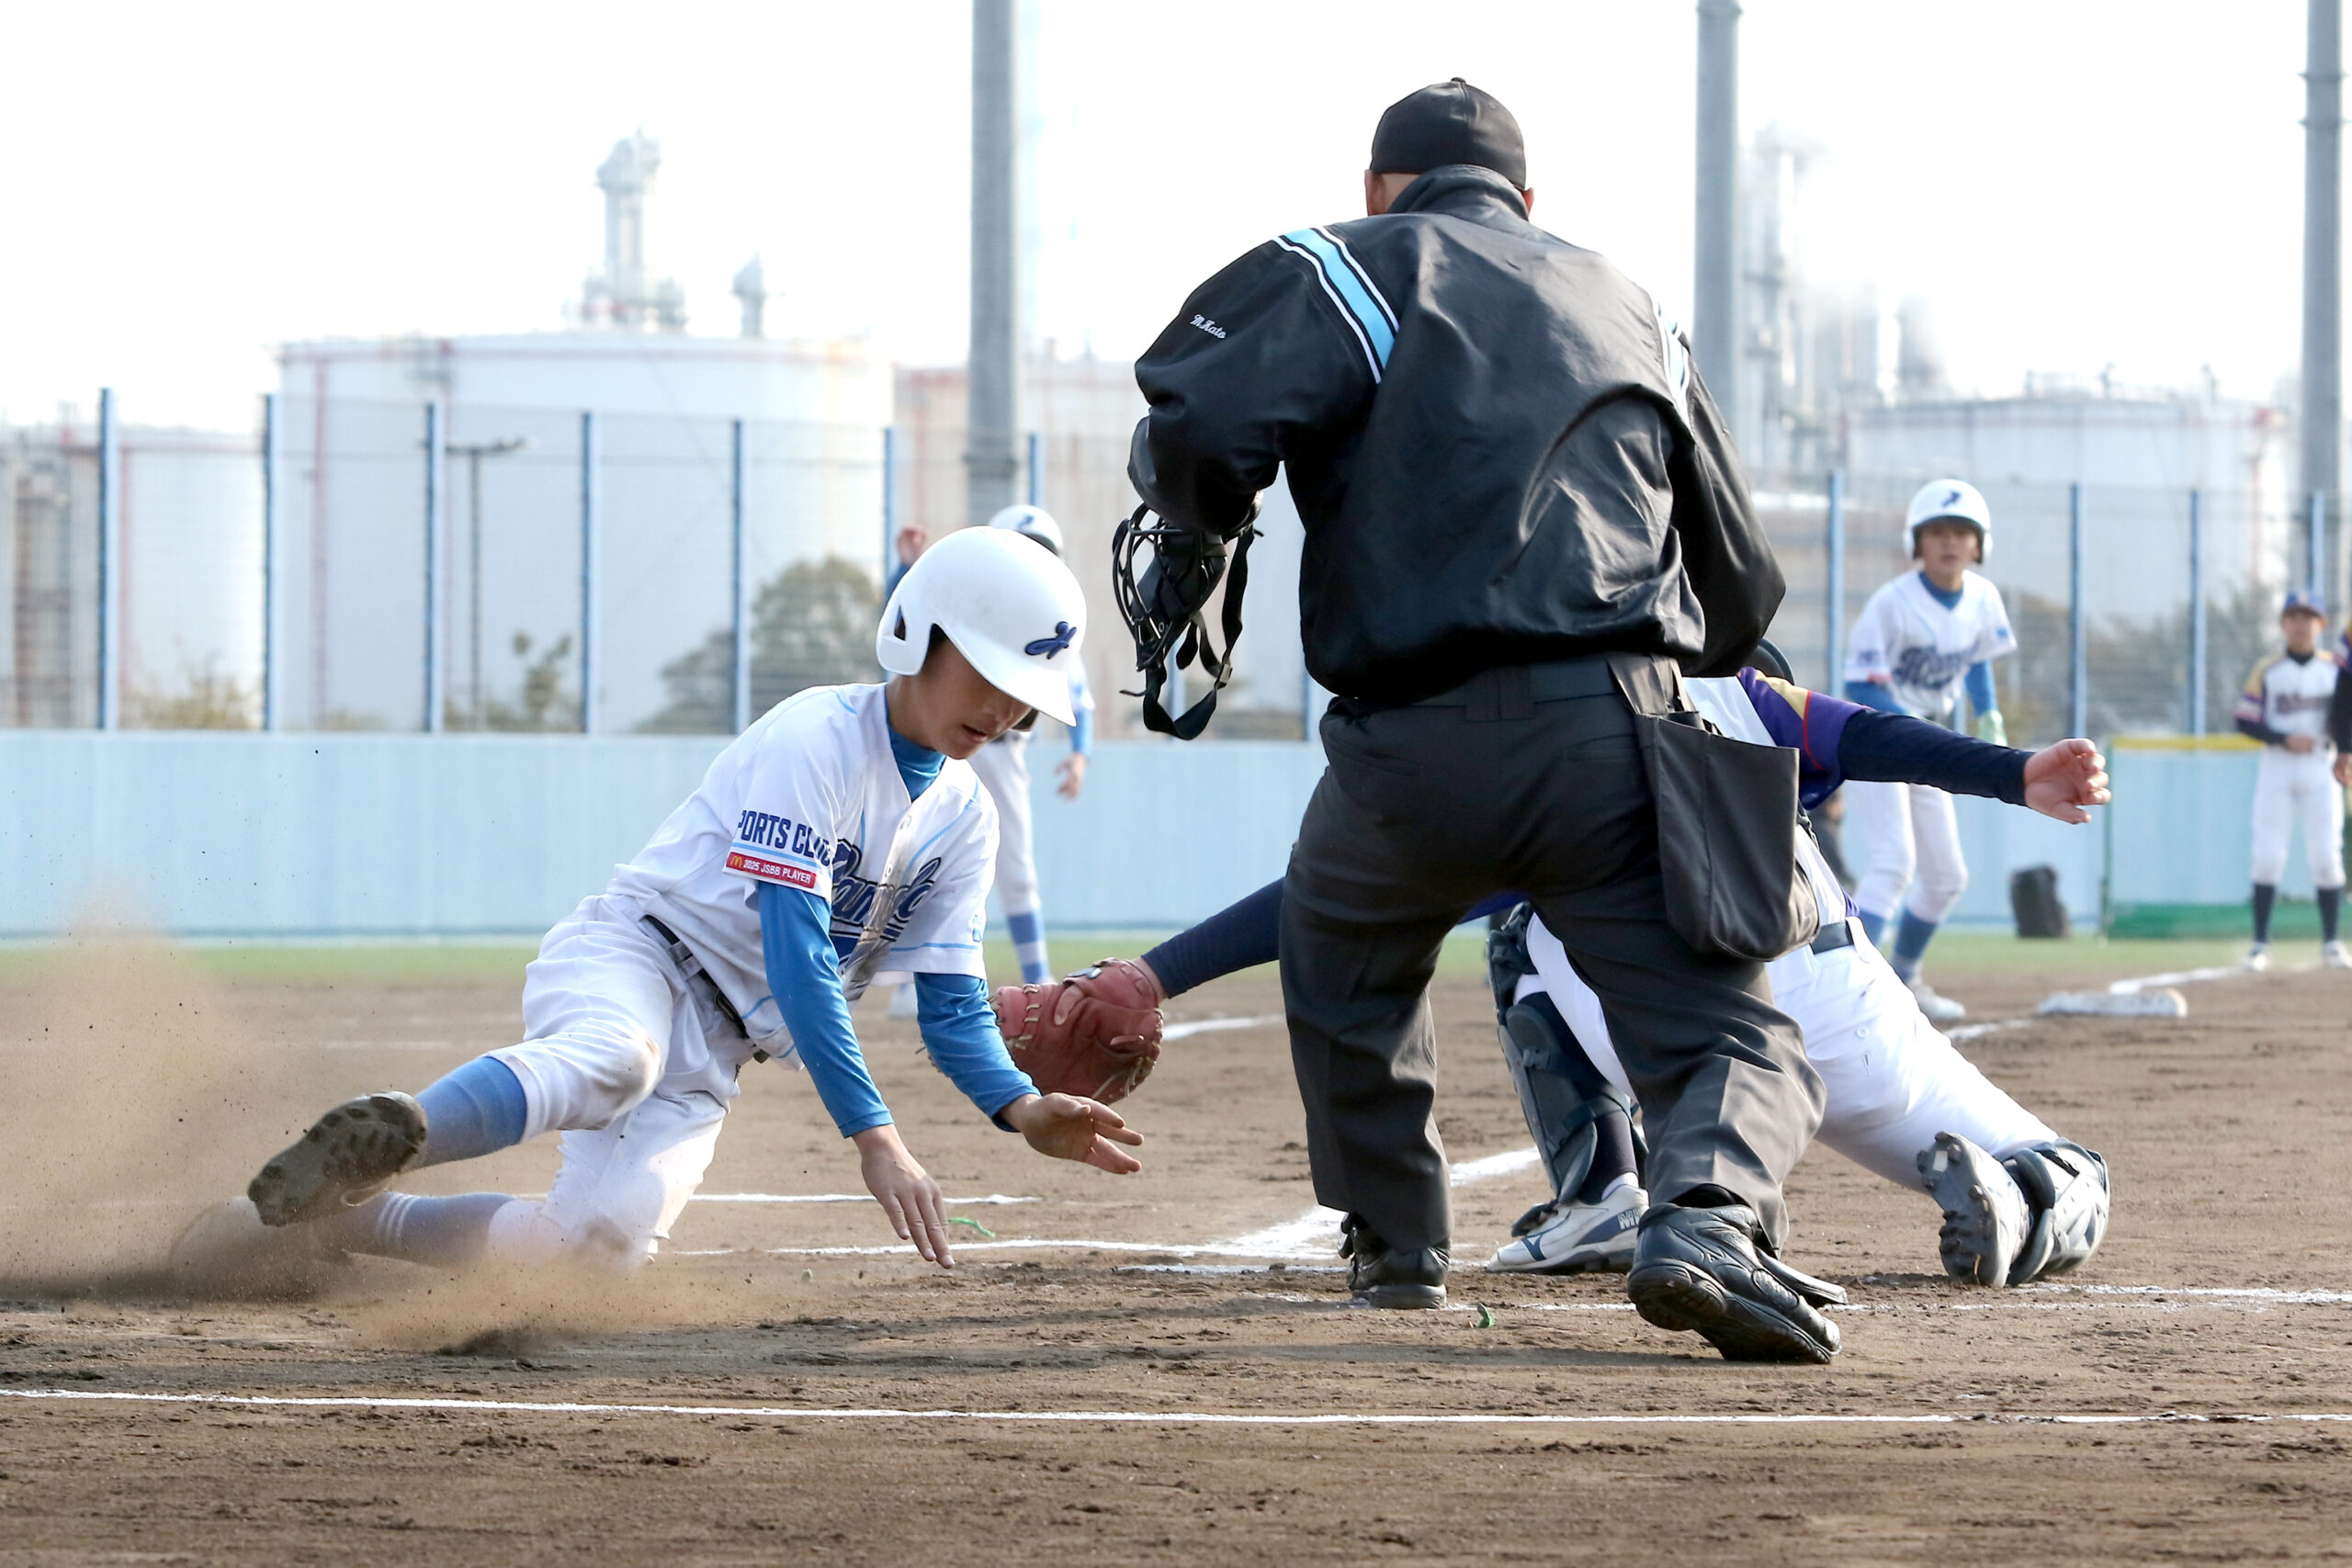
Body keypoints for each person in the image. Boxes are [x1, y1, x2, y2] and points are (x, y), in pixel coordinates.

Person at [1125, 79, 1833, 1361]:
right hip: (1612, 731)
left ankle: (1397, 1243)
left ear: (1379, 185)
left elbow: (1202, 418)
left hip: (1404, 747)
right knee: (1731, 1029)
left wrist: (1208, 518)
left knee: (1343, 958)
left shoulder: (1347, 264)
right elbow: (1742, 588)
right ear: (1527, 200)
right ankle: (1711, 1215)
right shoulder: (1629, 303)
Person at [173, 527, 1140, 1292]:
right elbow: (798, 954)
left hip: (719, 1053)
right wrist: (876, 1139)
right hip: (639, 954)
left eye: (1024, 696)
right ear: (918, 633)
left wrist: (1018, 1108)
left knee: (593, 1253)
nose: (1005, 713)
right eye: (988, 677)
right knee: (613, 1061)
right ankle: (391, 1135)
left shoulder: (966, 816)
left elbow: (952, 1001)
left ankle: (318, 1222)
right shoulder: (817, 738)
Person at [1015, 653, 2111, 1291]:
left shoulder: (1538, 727)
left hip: (1630, 1009)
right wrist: (2016, 773)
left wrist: (1157, 975)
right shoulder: (1738, 687)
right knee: (2068, 1164)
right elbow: (1868, 736)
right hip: (1825, 990)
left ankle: (1599, 1193)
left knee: (1522, 935)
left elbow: (1329, 903)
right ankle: (2022, 1206)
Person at [887, 510, 1093, 991]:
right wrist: (909, 566)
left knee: (1015, 865)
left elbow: (1076, 698)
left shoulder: (1056, 631)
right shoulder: (971, 605)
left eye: (1043, 550)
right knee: (904, 853)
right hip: (937, 737)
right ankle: (901, 978)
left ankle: (1037, 976)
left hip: (1003, 752)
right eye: (1024, 545)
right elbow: (905, 620)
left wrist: (1080, 754)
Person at [1841, 479, 2018, 1022]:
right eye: (1937, 531)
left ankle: (1905, 978)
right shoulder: (1892, 603)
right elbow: (1859, 684)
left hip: (1932, 743)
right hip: (1881, 739)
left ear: (1979, 545)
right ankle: (1847, 993)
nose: (1950, 542)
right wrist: (1907, 726)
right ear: (1916, 541)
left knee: (1946, 877)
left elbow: (1980, 659)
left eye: (1962, 533)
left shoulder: (1983, 598)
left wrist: (1988, 716)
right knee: (1894, 863)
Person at [2234, 590, 2347, 969]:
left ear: (2321, 624)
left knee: (2326, 857)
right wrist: (2283, 738)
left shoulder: (2335, 668)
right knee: (2267, 857)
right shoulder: (2270, 668)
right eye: (2293, 616)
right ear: (2283, 624)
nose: (2300, 624)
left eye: (2308, 616)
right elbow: (2244, 719)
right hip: (2278, 766)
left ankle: (2332, 942)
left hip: (2321, 764)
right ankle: (2260, 944)